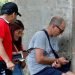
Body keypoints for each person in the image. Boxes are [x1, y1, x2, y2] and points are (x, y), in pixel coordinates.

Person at [0, 2, 21, 75]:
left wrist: (11, 55)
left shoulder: (4, 24)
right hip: (2, 65)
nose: (16, 18)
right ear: (13, 14)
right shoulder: (1, 23)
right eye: (16, 15)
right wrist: (8, 61)